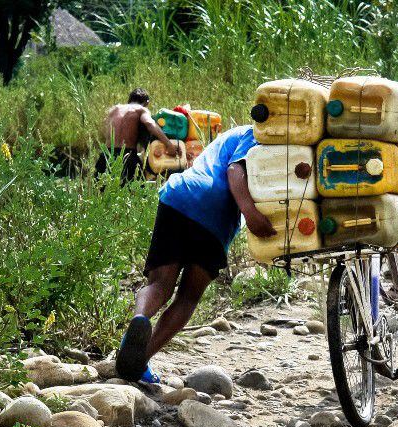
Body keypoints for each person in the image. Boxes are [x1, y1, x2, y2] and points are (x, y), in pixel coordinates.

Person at [114, 125, 276, 383]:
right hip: (217, 217)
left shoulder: (230, 136)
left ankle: (139, 319)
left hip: (180, 196)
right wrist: (251, 214)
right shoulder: (259, 134)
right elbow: (235, 170)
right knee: (188, 297)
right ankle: (141, 358)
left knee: (159, 284)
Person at [97, 88, 179, 184]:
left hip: (106, 155)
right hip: (127, 156)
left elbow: (106, 129)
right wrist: (168, 144)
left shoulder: (114, 109)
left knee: (100, 191)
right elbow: (150, 124)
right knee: (137, 193)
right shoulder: (141, 110)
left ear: (129, 100)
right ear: (146, 102)